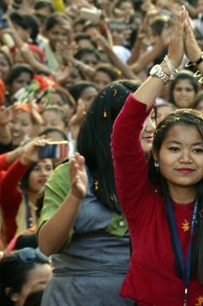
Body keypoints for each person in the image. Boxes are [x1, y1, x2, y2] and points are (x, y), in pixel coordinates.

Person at [111, 8, 203, 305]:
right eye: (174, 149)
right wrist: (168, 65)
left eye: (198, 150)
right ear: (155, 156)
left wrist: (200, 61)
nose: (186, 158)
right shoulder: (140, 199)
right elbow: (124, 133)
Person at [37, 81, 149, 306]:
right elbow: (47, 245)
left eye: (153, 117)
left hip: (138, 296)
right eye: (141, 117)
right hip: (73, 296)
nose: (152, 127)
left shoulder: (160, 174)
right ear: (111, 123)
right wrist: (76, 198)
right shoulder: (72, 172)